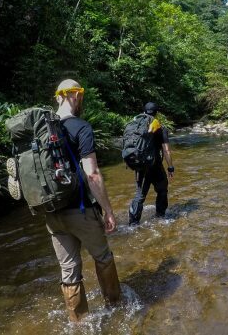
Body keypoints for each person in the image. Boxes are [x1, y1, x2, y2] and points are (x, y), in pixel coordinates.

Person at [49, 79, 121, 322]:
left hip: (51, 213)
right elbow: (92, 174)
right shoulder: (81, 127)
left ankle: (79, 324)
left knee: (69, 272)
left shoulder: (42, 130)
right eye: (81, 97)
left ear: (58, 97)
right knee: (103, 257)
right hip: (79, 210)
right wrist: (108, 210)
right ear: (75, 96)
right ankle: (116, 307)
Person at [128, 102, 175, 225]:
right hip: (155, 166)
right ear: (156, 113)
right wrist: (170, 167)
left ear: (144, 112)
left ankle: (133, 223)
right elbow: (166, 150)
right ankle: (160, 216)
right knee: (162, 190)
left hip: (140, 166)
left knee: (139, 195)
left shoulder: (136, 127)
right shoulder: (160, 128)